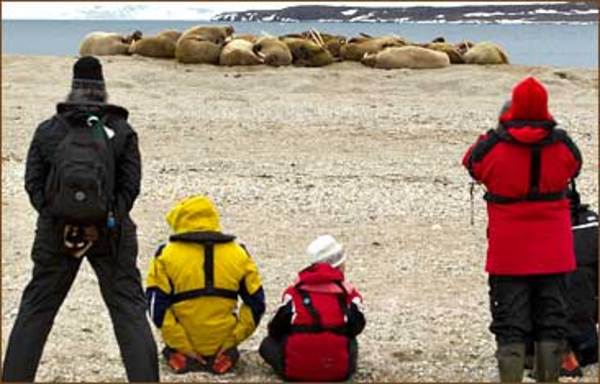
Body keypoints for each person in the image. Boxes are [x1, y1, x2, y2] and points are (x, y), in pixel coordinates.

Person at [2, 56, 158, 382]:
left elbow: (33, 182)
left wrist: (56, 216)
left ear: (72, 88)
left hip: (57, 232)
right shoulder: (121, 130)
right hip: (111, 233)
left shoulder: (49, 129)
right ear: (103, 89)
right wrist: (108, 216)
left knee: (37, 309)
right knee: (129, 310)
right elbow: (131, 187)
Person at [462, 76, 582, 382]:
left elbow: (471, 163)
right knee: (551, 321)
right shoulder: (562, 144)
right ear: (544, 107)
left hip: (509, 252)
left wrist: (494, 132)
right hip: (554, 251)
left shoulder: (494, 147)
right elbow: (575, 166)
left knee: (509, 323)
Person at [146, 195, 265, 374]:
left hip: (184, 338)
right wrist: (231, 340)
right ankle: (224, 356)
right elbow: (257, 304)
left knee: (169, 342)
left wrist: (182, 344)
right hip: (223, 340)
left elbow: (157, 309)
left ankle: (180, 355)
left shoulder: (166, 255)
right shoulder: (239, 253)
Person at [259, 235, 366, 382]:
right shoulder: (349, 293)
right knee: (350, 341)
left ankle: (301, 363)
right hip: (339, 372)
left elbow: (276, 328)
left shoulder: (294, 292)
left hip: (294, 372)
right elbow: (357, 327)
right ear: (340, 266)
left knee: (267, 344)